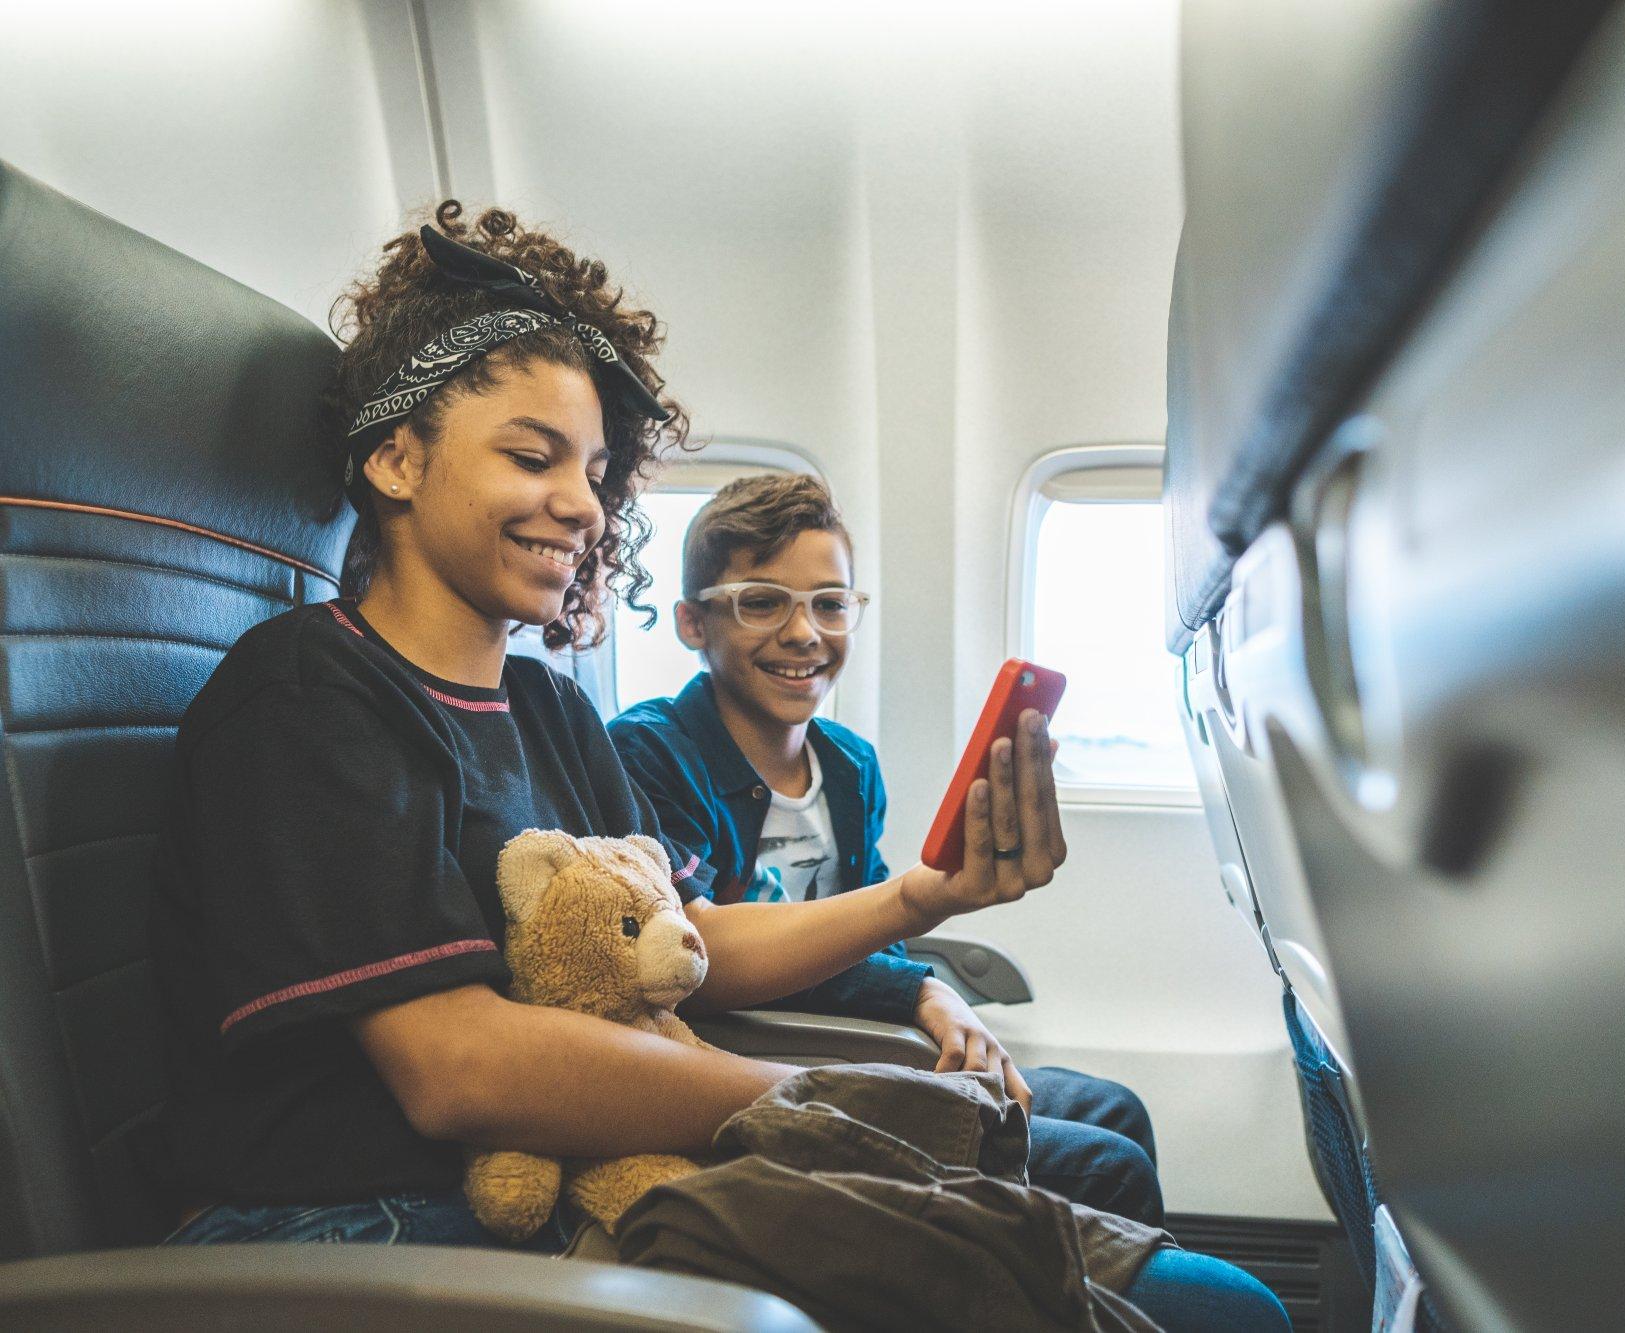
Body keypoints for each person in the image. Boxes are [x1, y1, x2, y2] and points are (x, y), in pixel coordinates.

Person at [150, 202, 1288, 1333]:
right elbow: (458, 1067)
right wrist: (824, 1105)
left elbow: (686, 944)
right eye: (530, 456)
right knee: (1199, 1309)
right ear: (396, 458)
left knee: (1191, 1286)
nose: (581, 506)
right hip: (369, 1224)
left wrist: (922, 899)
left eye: (596, 472)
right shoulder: (309, 693)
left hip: (579, 1167)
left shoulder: (545, 706)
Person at [608, 474, 1165, 1227]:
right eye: (763, 601)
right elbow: (701, 960)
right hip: (753, 1057)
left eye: (831, 603)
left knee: (1117, 1111)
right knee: (1108, 1165)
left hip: (852, 1036)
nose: (805, 632)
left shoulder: (849, 765)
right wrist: (916, 973)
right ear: (692, 622)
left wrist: (927, 989)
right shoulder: (649, 751)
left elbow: (874, 939)